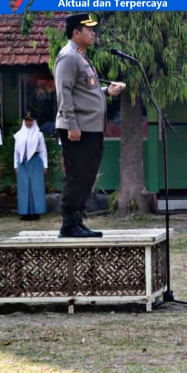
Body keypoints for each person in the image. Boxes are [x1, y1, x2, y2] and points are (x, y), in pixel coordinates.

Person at [54, 13, 125, 238]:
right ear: (76, 32)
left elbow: (83, 90)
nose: (93, 33)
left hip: (91, 128)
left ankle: (78, 220)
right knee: (77, 175)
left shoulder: (81, 57)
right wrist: (71, 124)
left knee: (87, 175)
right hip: (79, 130)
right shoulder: (68, 56)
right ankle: (69, 224)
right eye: (89, 29)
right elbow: (63, 92)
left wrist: (107, 91)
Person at [13, 111, 48, 221]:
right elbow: (16, 151)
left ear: (34, 121)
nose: (28, 122)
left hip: (36, 161)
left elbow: (43, 151)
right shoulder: (19, 135)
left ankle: (36, 212)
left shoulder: (39, 134)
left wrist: (45, 165)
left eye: (30, 120)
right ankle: (25, 212)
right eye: (27, 120)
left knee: (36, 186)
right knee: (24, 187)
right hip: (23, 162)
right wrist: (15, 165)